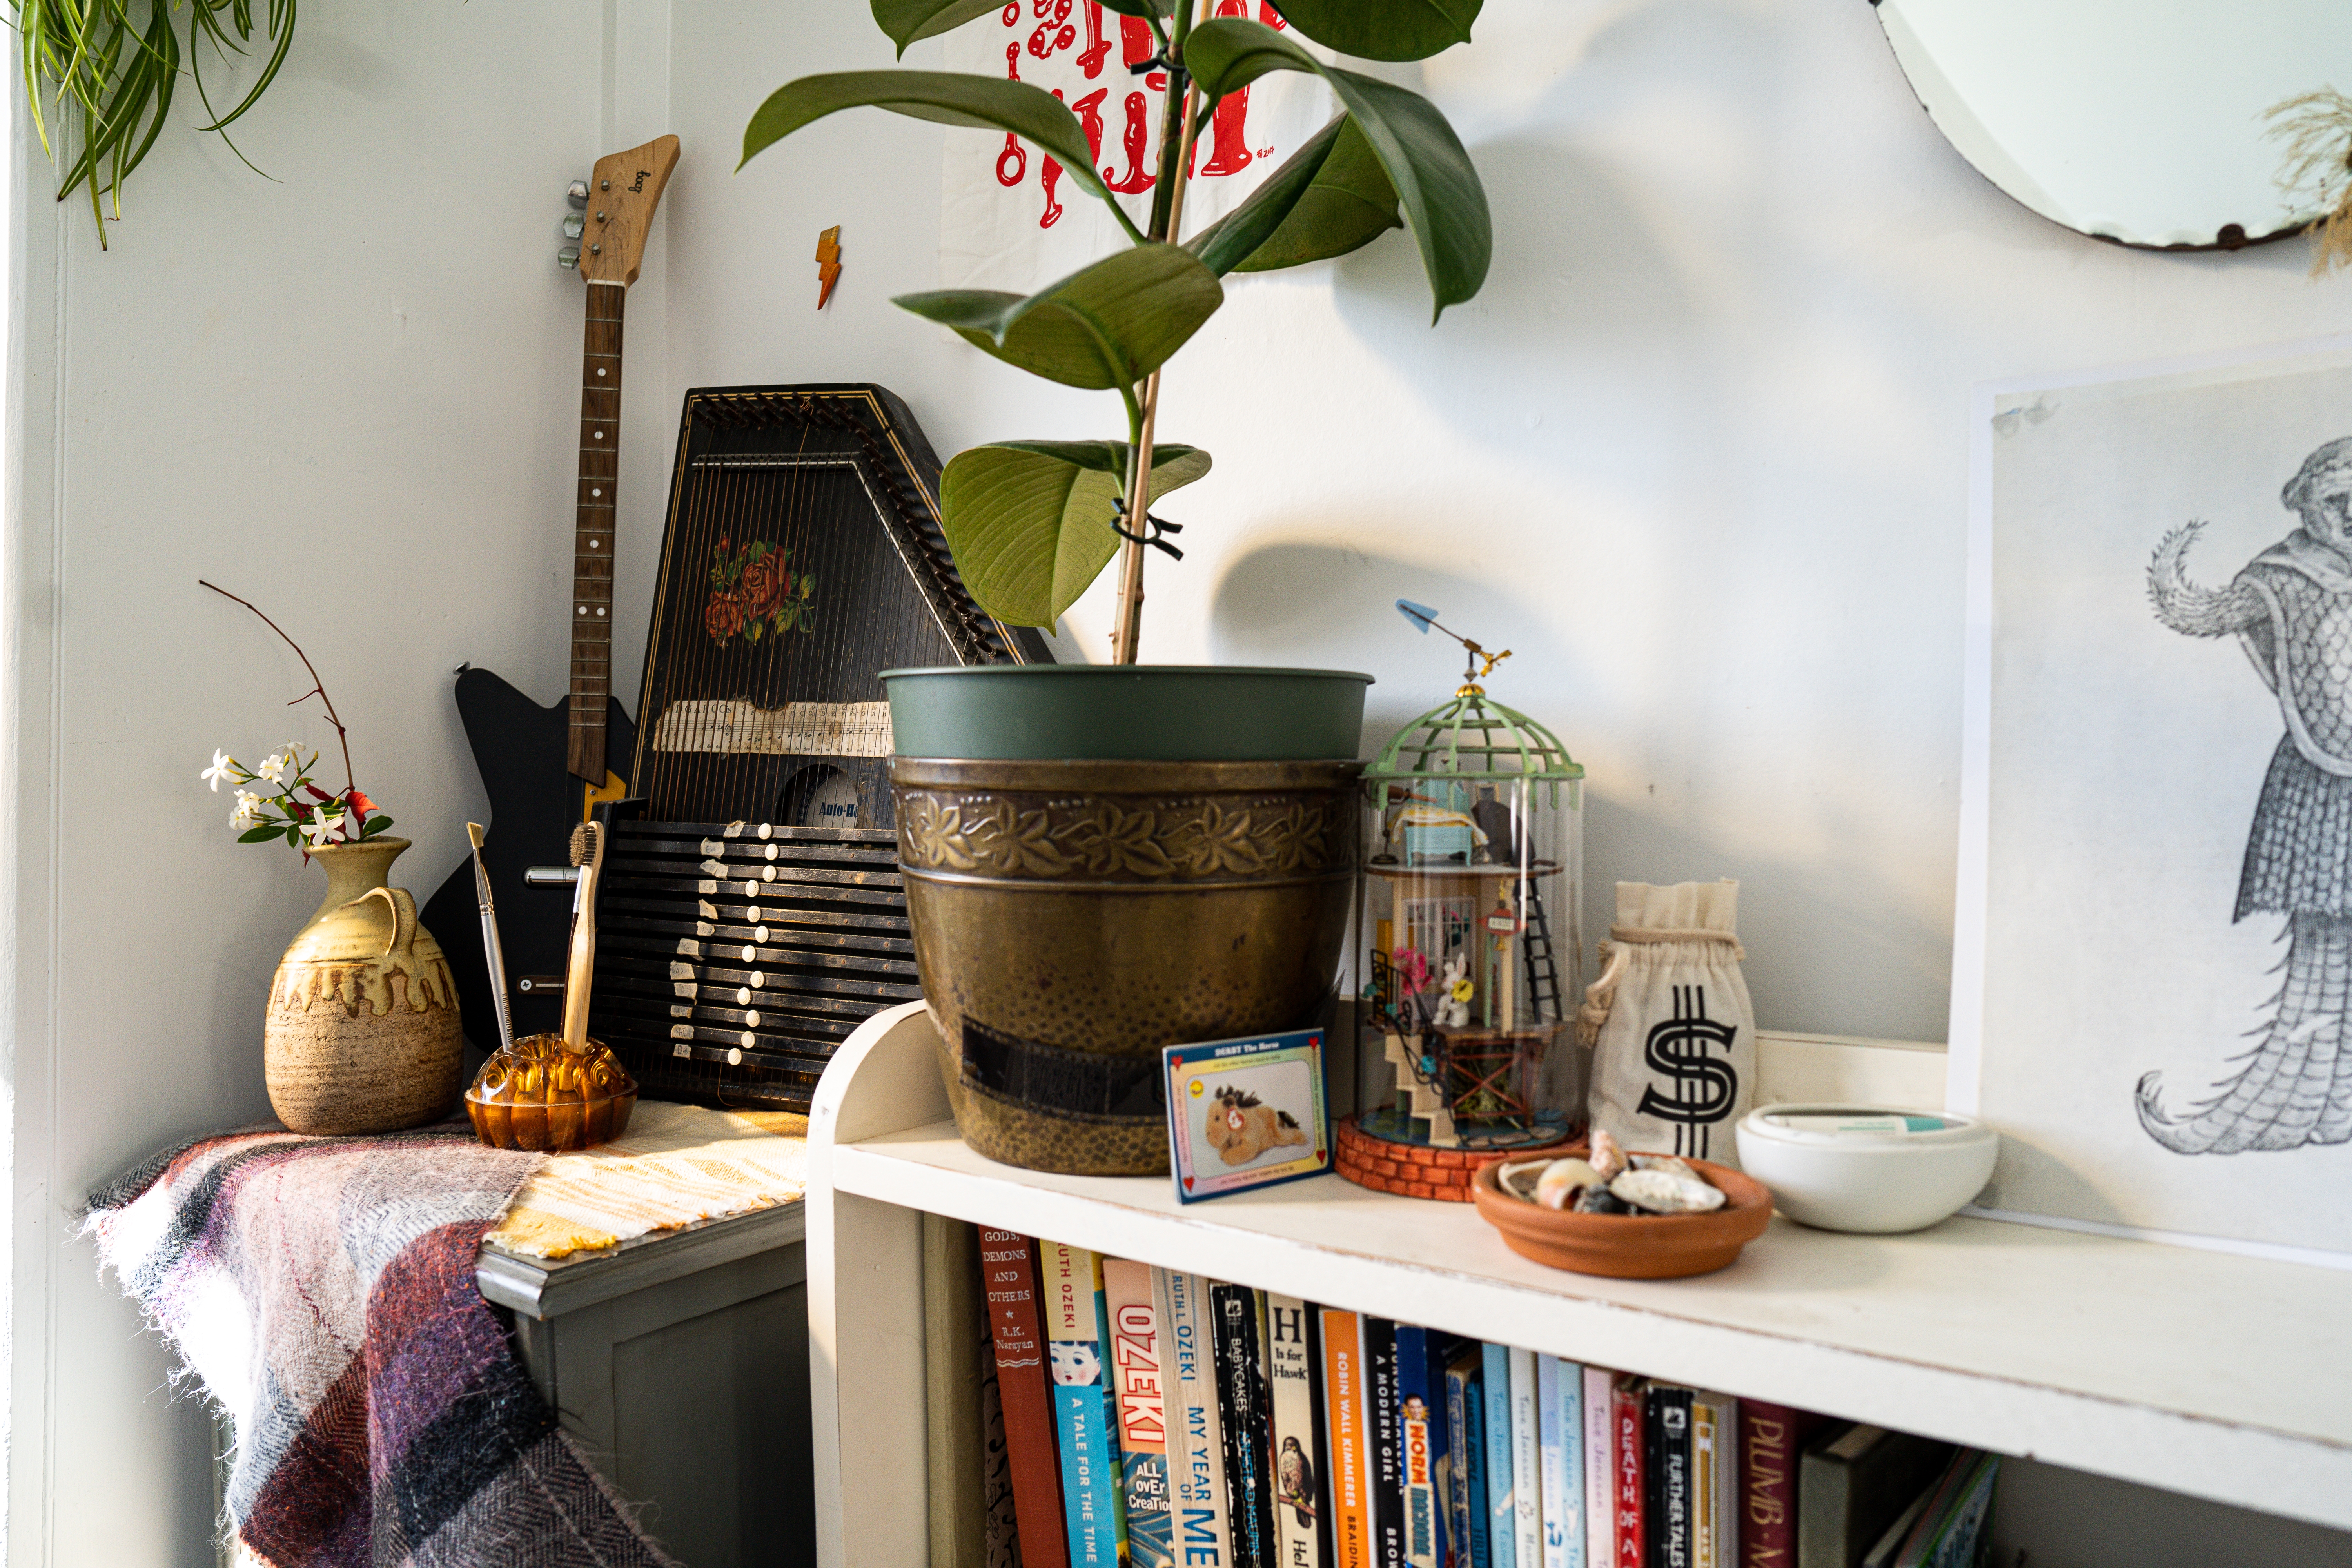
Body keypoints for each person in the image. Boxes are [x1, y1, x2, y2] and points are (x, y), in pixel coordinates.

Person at [2144, 436, 2352, 1152]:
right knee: (2325, 947)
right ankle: (2297, 1101)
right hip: (2322, 784)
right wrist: (2169, 572)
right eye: (2338, 501)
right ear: (2308, 506)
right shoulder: (2285, 577)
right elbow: (2196, 611)